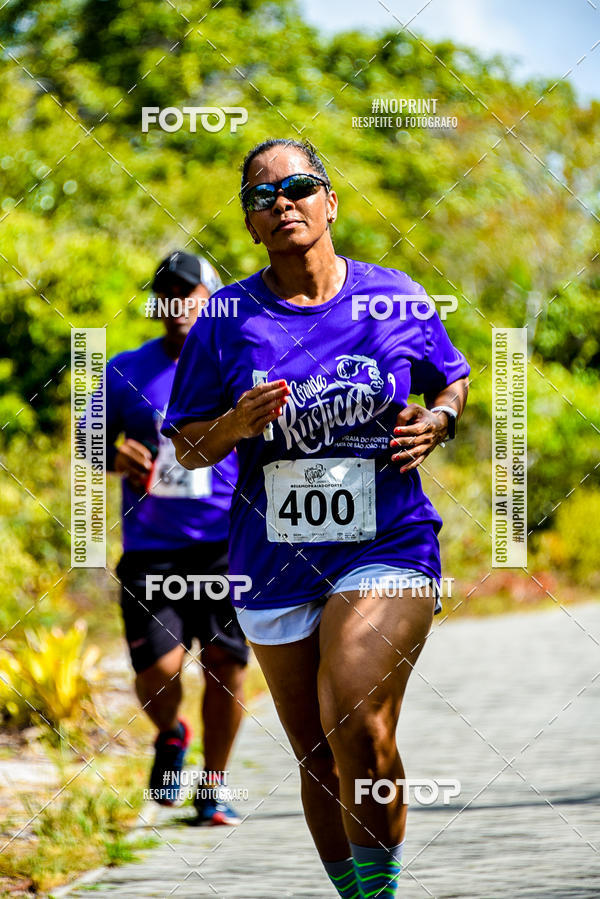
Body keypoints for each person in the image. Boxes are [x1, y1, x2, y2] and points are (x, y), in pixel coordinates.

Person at [163, 140, 469, 894]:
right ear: (250, 224)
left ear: (330, 200)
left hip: (387, 540)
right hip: (273, 560)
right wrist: (235, 423)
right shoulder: (227, 318)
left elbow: (452, 378)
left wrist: (441, 419)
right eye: (263, 196)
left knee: (358, 721)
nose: (283, 202)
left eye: (299, 186)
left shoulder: (392, 294)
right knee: (318, 756)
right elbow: (189, 445)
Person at [106, 250, 248, 826]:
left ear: (212, 298)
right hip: (151, 549)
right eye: (168, 293)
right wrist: (111, 454)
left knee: (226, 666)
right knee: (159, 671)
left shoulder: (235, 361)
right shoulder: (125, 370)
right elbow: (88, 442)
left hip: (223, 544)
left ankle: (212, 787)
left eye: (190, 292)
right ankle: (172, 733)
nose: (179, 304)